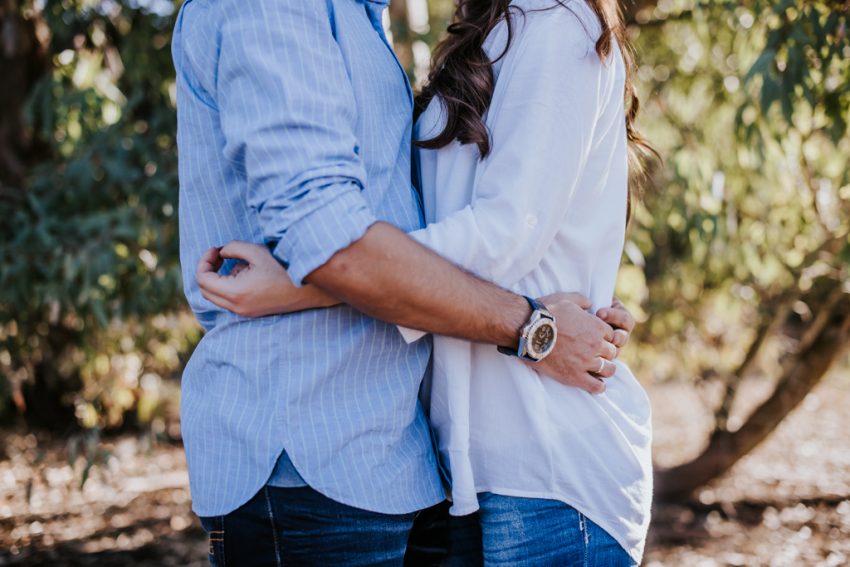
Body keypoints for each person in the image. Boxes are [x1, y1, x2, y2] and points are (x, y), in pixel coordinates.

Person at [172, 0, 636, 565]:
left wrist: (302, 283)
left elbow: (505, 233)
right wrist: (534, 324)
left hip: (529, 457)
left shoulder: (553, 23)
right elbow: (344, 237)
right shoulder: (298, 12)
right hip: (357, 456)